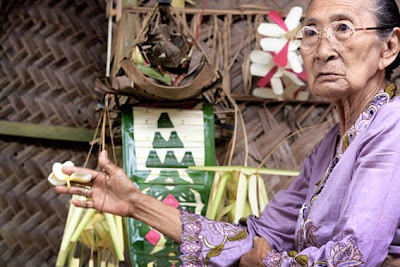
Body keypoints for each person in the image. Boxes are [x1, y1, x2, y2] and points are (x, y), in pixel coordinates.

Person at [56, 0, 400, 265]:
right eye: (310, 32)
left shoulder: (392, 127)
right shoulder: (331, 147)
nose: (323, 50)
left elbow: (353, 255)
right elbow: (257, 237)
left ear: (389, 48)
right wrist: (135, 203)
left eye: (343, 28)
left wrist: (263, 260)